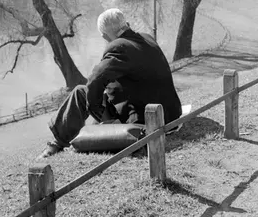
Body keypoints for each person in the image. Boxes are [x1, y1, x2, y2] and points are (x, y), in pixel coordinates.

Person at [39, 8, 182, 158]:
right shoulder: (147, 38)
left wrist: (96, 109)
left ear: (104, 35)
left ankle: (57, 143)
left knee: (80, 92)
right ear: (126, 23)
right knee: (101, 95)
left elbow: (94, 80)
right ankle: (89, 131)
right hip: (170, 115)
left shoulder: (119, 46)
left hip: (145, 120)